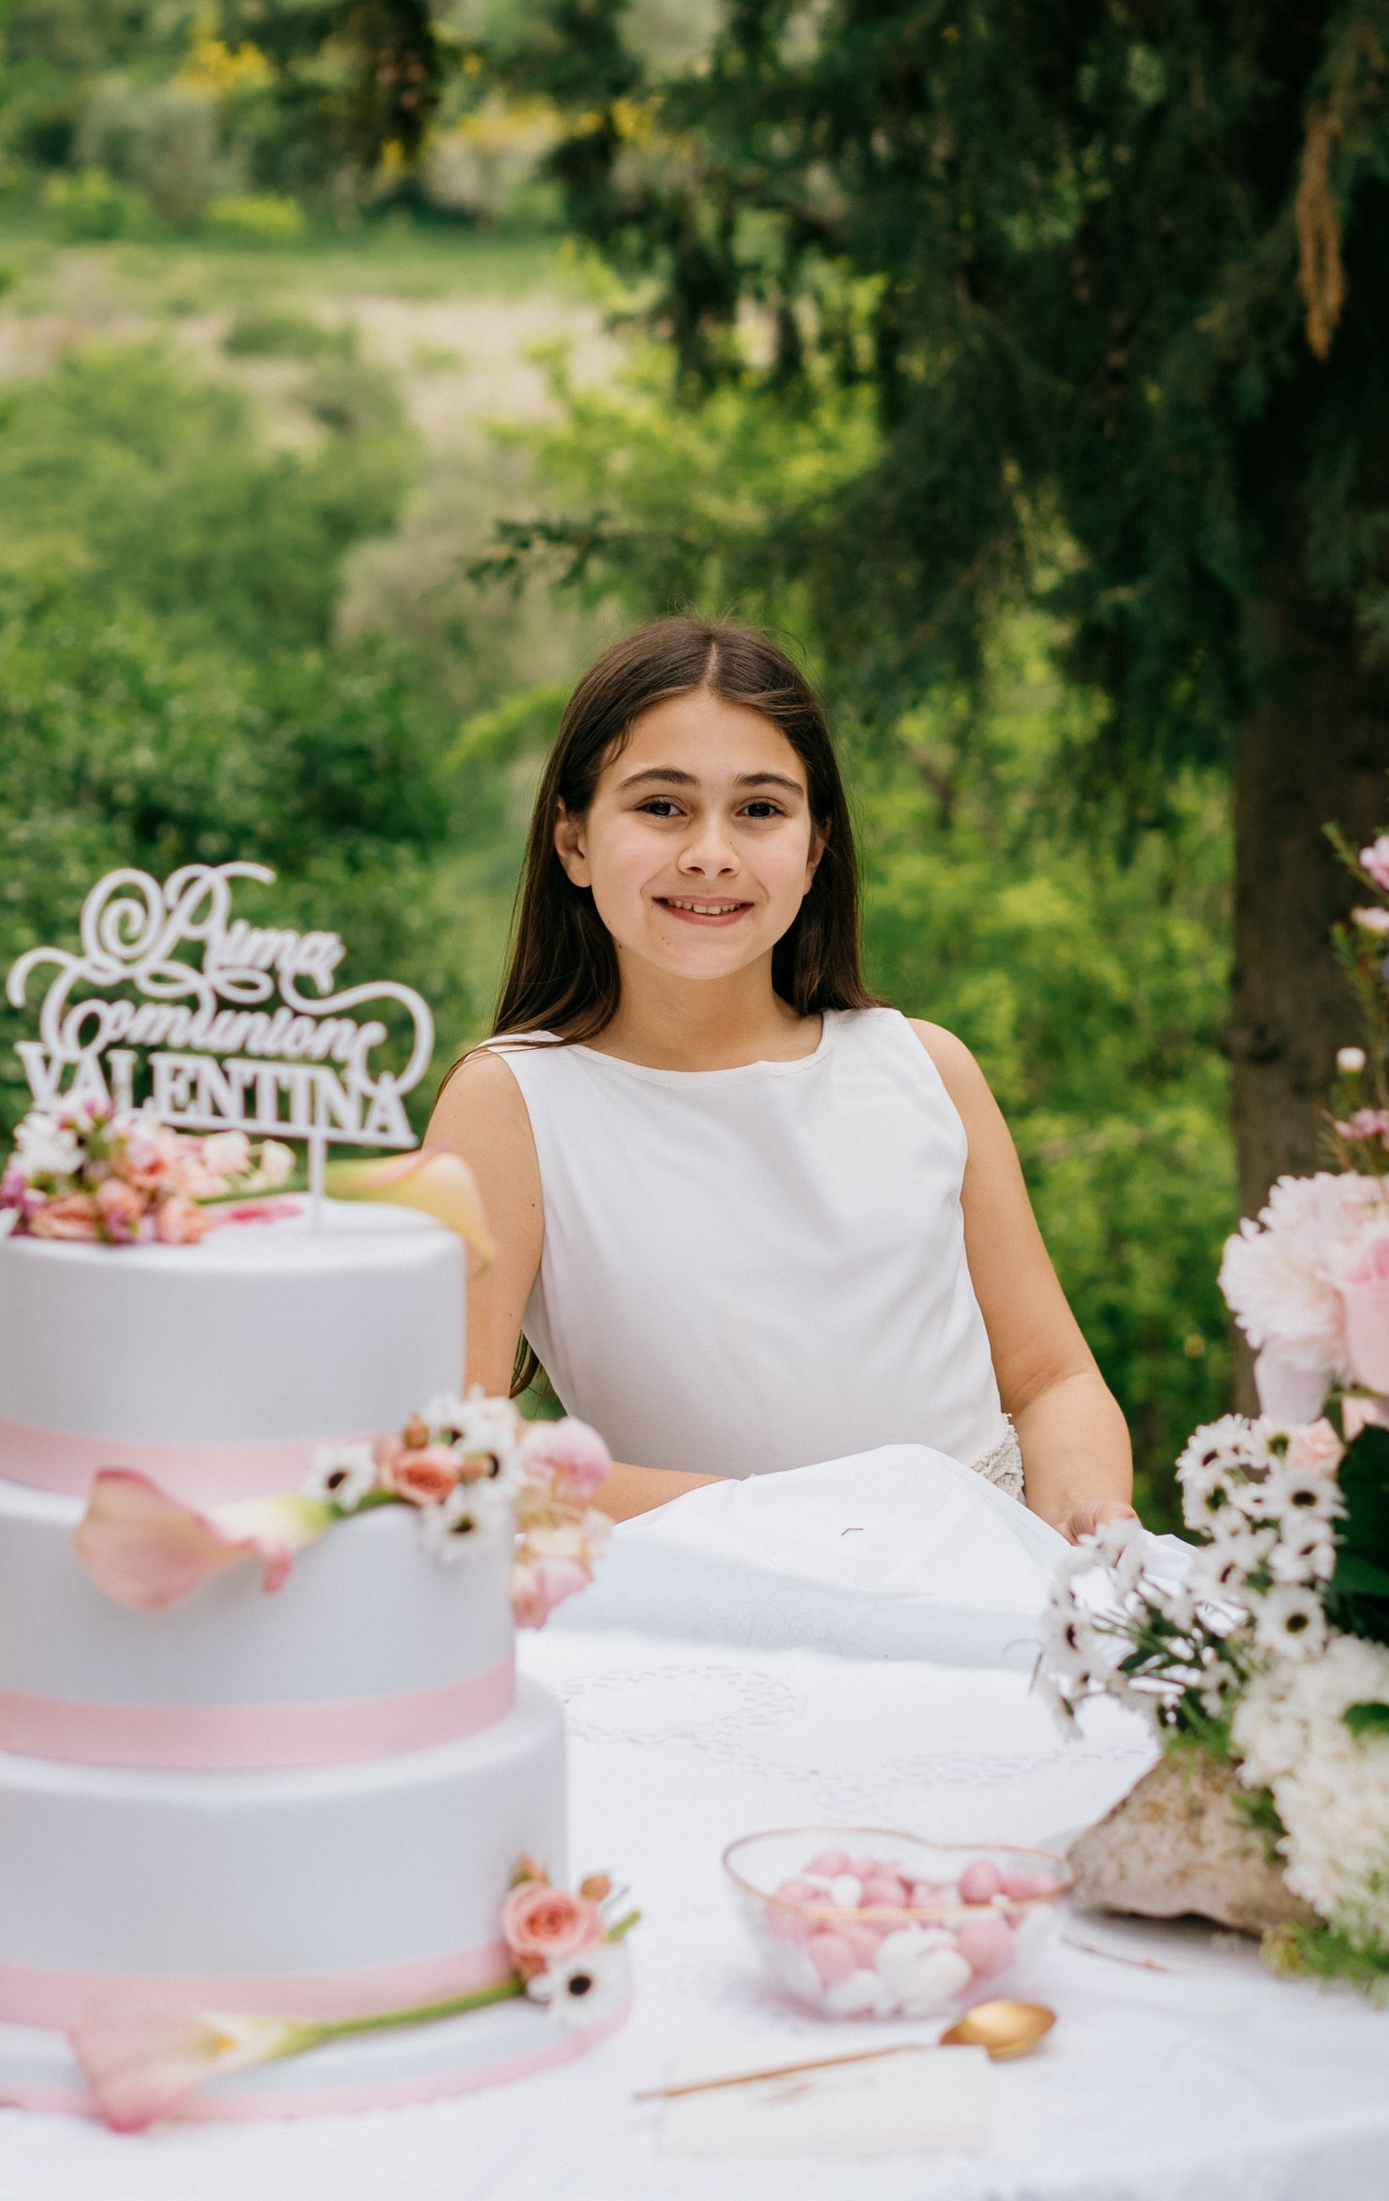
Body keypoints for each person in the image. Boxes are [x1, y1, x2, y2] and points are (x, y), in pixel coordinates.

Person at [424, 615, 1134, 1537]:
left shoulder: (924, 1067)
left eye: (760, 809)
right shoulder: (511, 1102)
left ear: (814, 845)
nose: (711, 852)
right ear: (574, 840)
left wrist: (1085, 1520)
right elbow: (461, 1447)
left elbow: (1051, 1379)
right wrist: (800, 1528)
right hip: (712, 1597)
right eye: (662, 806)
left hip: (988, 1580)